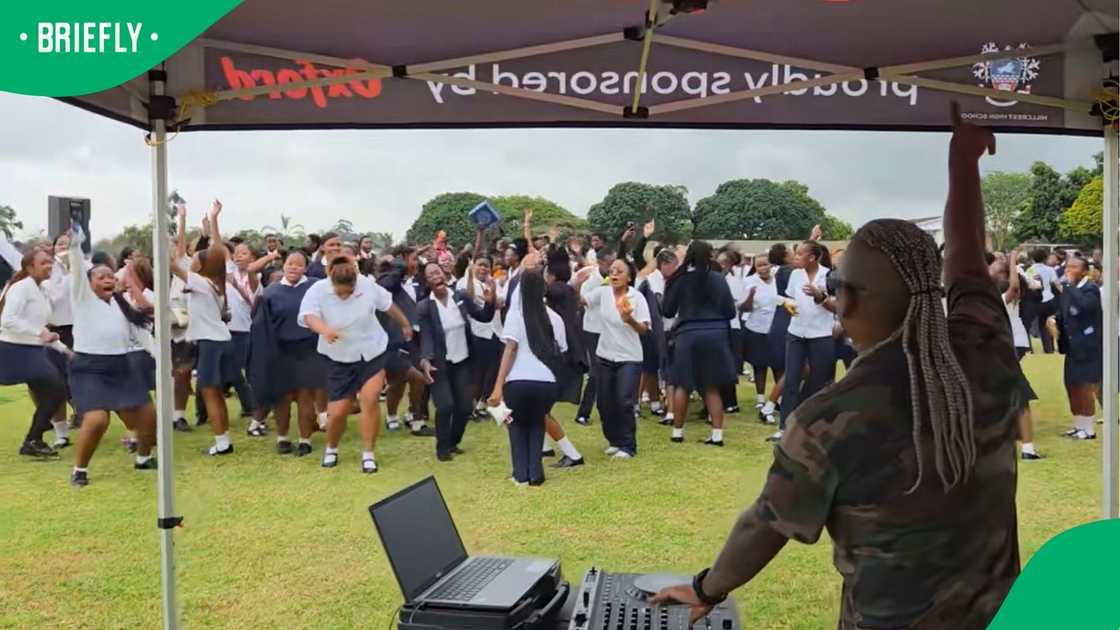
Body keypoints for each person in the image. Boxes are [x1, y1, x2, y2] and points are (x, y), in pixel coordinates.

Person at [653, 106, 1023, 629]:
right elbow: (965, 258)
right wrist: (962, 162)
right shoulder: (984, 343)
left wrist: (705, 588)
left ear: (847, 300)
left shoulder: (832, 416)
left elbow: (766, 524)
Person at [298, 255, 413, 473]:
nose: (345, 297)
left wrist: (405, 324)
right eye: (340, 293)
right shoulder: (318, 289)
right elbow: (308, 316)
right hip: (339, 357)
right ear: (331, 281)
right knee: (339, 411)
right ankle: (331, 448)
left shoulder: (367, 285)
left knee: (370, 401)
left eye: (349, 292)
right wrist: (325, 330)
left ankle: (368, 454)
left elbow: (388, 304)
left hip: (371, 352)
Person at [63, 226, 158, 486]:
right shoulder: (82, 298)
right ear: (89, 283)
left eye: (110, 276)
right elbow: (77, 272)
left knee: (149, 414)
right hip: (89, 368)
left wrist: (159, 355)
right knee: (97, 420)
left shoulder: (121, 303)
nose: (107, 279)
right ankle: (79, 470)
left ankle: (143, 458)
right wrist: (74, 246)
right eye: (100, 276)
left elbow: (140, 335)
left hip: (121, 366)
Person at [488, 268, 568, 487]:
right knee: (536, 423)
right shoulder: (554, 318)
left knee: (517, 425)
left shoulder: (516, 314)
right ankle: (536, 474)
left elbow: (510, 349)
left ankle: (520, 474)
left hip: (519, 381)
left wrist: (497, 387)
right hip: (547, 383)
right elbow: (561, 349)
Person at [171, 200, 239, 457]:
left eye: (197, 260)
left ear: (202, 267)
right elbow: (218, 250)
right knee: (216, 395)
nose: (193, 261)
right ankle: (224, 440)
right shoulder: (218, 282)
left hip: (211, 344)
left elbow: (175, 262)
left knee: (210, 394)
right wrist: (213, 219)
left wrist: (177, 226)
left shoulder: (201, 282)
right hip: (221, 341)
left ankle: (222, 443)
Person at [249, 250, 327, 456]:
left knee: (305, 396)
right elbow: (260, 323)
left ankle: (305, 440)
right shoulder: (270, 292)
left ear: (306, 268)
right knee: (282, 397)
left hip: (308, 350)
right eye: (290, 263)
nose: (294, 267)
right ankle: (283, 438)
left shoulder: (315, 287)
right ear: (283, 265)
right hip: (280, 350)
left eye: (299, 264)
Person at [662, 241, 738, 446]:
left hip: (688, 333)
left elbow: (667, 310)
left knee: (682, 384)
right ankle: (717, 435)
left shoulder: (680, 279)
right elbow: (731, 312)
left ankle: (677, 432)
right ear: (709, 256)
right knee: (712, 385)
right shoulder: (719, 279)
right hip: (716, 334)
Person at [417, 261, 495, 461]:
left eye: (438, 272)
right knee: (444, 406)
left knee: (464, 407)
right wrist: (425, 359)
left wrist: (490, 301)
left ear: (444, 275)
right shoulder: (425, 307)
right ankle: (442, 448)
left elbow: (484, 317)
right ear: (428, 282)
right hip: (440, 364)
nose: (436, 276)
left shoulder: (460, 297)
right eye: (431, 274)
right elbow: (425, 336)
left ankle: (452, 442)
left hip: (462, 362)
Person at [575, 258, 650, 458]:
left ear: (629, 277)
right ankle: (614, 440)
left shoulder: (637, 298)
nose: (614, 273)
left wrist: (629, 320)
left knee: (624, 400)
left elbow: (644, 329)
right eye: (612, 270)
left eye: (620, 271)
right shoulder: (603, 292)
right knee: (605, 402)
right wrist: (576, 283)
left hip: (629, 357)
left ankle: (628, 445)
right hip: (604, 355)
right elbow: (582, 300)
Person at [0, 248, 68, 458]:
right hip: (15, 350)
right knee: (56, 388)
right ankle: (35, 437)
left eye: (50, 262)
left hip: (33, 350)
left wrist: (65, 350)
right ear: (30, 267)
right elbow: (8, 320)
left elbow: (42, 327)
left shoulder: (42, 289)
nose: (49, 266)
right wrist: (38, 332)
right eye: (44, 263)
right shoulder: (21, 288)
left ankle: (34, 438)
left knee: (55, 391)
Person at [771, 240, 835, 442]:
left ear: (812, 258)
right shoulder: (795, 275)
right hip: (796, 333)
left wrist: (820, 296)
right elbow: (790, 298)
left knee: (818, 381)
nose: (795, 258)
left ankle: (813, 427)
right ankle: (784, 427)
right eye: (795, 254)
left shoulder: (829, 275)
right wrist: (788, 304)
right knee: (791, 379)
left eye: (799, 255)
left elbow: (837, 307)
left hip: (821, 334)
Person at [990, 250, 1043, 459]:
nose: (995, 263)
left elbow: (1014, 286)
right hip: (1002, 346)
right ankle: (1017, 438)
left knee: (1018, 394)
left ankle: (1027, 447)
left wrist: (1012, 261)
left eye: (997, 262)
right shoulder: (991, 294)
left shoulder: (1006, 296)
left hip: (1013, 345)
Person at [1055, 255, 1102, 440]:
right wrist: (1054, 318)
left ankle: (1089, 429)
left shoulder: (1091, 289)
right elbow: (1064, 310)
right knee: (1072, 385)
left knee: (1084, 386)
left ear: (1084, 271)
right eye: (1068, 266)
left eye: (1074, 267)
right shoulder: (1069, 289)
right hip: (1071, 346)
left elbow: (1084, 306)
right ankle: (1078, 426)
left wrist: (1068, 286)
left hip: (1088, 346)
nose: (1069, 269)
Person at [572, 244, 616, 426]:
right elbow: (583, 302)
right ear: (600, 262)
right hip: (593, 330)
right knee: (596, 372)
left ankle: (608, 408)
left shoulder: (614, 279)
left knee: (610, 369)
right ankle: (583, 412)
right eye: (609, 263)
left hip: (609, 329)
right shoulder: (592, 280)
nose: (612, 267)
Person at [742, 253, 781, 415]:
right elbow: (744, 307)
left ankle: (779, 398)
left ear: (771, 265)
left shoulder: (778, 280)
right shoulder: (749, 282)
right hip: (756, 327)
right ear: (755, 267)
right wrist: (750, 295)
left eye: (766, 264)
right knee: (759, 365)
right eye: (759, 265)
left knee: (778, 365)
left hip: (776, 328)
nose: (763, 268)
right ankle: (760, 398)